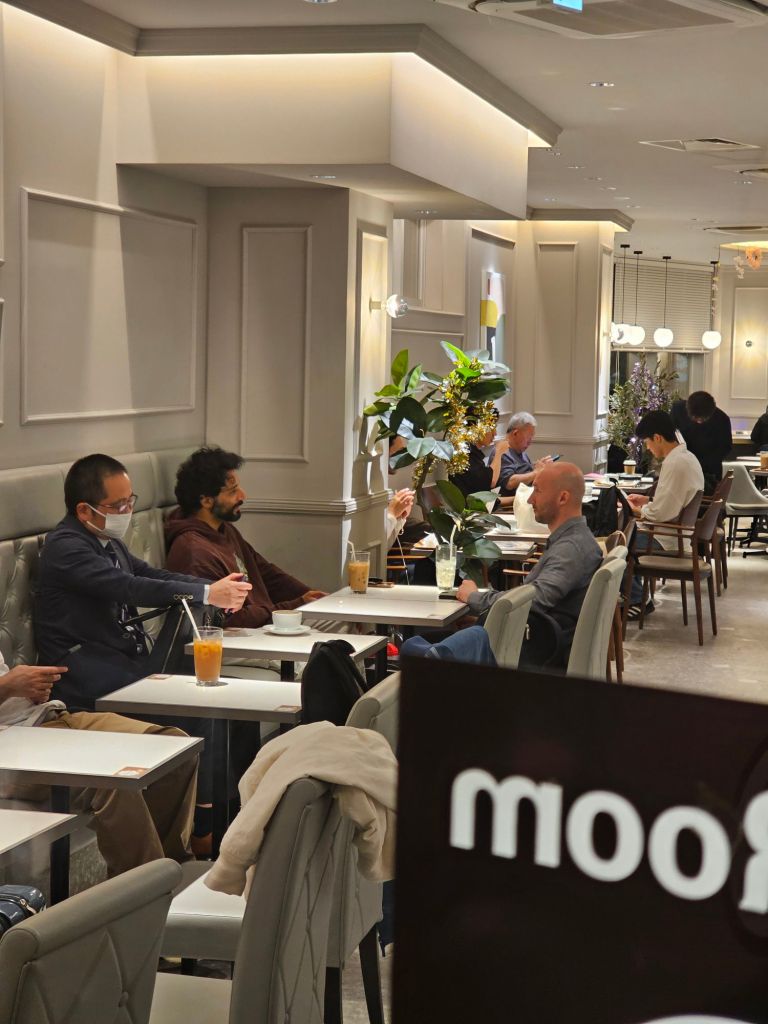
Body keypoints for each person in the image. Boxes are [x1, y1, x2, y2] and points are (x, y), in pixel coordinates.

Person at [34, 453, 252, 710]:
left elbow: (151, 574)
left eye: (130, 501)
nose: (128, 511)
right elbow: (129, 587)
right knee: (206, 705)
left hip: (120, 661)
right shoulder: (66, 547)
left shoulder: (107, 540)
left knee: (233, 696)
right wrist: (207, 593)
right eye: (119, 506)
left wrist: (213, 587)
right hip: (81, 672)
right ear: (84, 510)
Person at [0, 654, 197, 877]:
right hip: (10, 748)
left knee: (173, 744)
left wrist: (32, 691)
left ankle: (173, 869)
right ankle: (147, 888)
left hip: (49, 718)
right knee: (112, 781)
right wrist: (8, 685)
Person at [455, 462, 603, 665]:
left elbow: (532, 600)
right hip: (534, 640)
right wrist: (490, 618)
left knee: (421, 651)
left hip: (535, 654)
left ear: (563, 498)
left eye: (537, 491)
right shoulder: (575, 540)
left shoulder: (570, 549)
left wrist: (475, 597)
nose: (530, 499)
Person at [165, 447, 328, 628]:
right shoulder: (194, 552)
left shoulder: (223, 529)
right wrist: (293, 606)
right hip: (239, 636)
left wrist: (312, 598)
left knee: (339, 622)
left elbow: (266, 573)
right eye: (233, 491)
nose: (242, 496)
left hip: (263, 624)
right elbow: (228, 620)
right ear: (206, 501)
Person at [625, 410, 705, 616]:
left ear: (658, 438)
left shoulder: (675, 463)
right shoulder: (686, 457)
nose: (648, 448)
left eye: (647, 442)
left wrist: (636, 510)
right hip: (676, 532)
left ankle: (637, 600)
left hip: (666, 537)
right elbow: (674, 502)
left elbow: (661, 513)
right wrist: (647, 501)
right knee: (623, 536)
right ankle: (635, 597)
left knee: (616, 544)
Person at [670, 391, 732, 494]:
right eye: (695, 418)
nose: (699, 421)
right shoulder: (678, 410)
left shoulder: (722, 419)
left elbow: (725, 447)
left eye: (703, 419)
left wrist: (698, 465)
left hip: (709, 473)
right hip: (681, 467)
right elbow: (671, 436)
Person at [449, 409, 510, 499]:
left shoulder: (471, 451)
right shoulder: (466, 454)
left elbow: (487, 499)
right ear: (476, 426)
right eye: (492, 427)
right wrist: (499, 451)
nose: (495, 433)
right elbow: (491, 482)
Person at [498, 412, 552, 497]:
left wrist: (540, 467)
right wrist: (536, 472)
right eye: (528, 437)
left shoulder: (520, 451)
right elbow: (509, 482)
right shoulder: (502, 452)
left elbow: (527, 474)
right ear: (515, 433)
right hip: (514, 502)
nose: (530, 442)